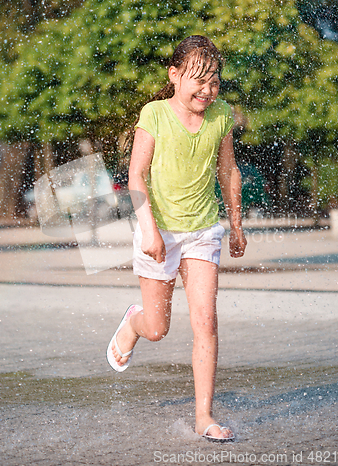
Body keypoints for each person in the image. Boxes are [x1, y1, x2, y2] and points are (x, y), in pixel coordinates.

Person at [106, 35, 247, 442]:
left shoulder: (221, 116)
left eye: (214, 80)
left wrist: (235, 224)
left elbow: (228, 171)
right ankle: (133, 325)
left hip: (203, 230)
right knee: (158, 328)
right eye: (198, 80)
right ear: (174, 75)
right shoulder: (154, 114)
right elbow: (136, 176)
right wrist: (148, 228)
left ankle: (204, 415)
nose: (207, 89)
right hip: (159, 230)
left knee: (206, 321)